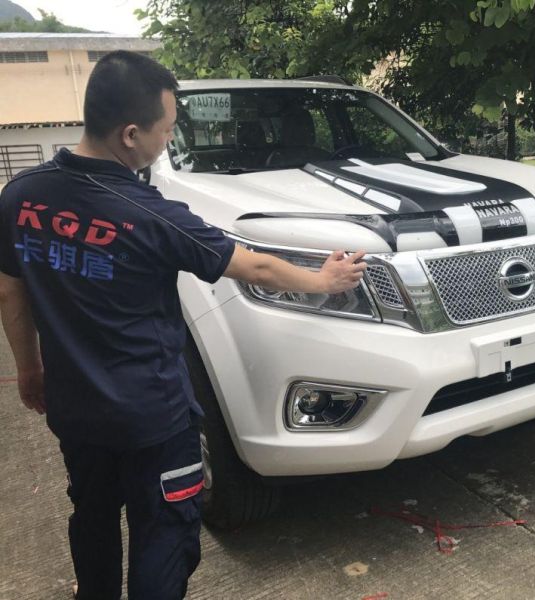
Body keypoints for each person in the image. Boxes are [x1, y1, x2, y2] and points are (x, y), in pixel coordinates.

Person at [0, 50, 366, 600]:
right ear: (130, 135)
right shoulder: (147, 212)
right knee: (164, 534)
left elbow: (9, 289)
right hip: (153, 420)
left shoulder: (22, 195)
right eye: (166, 131)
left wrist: (29, 369)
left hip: (75, 413)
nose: (167, 141)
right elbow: (252, 264)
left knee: (93, 516)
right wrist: (324, 280)